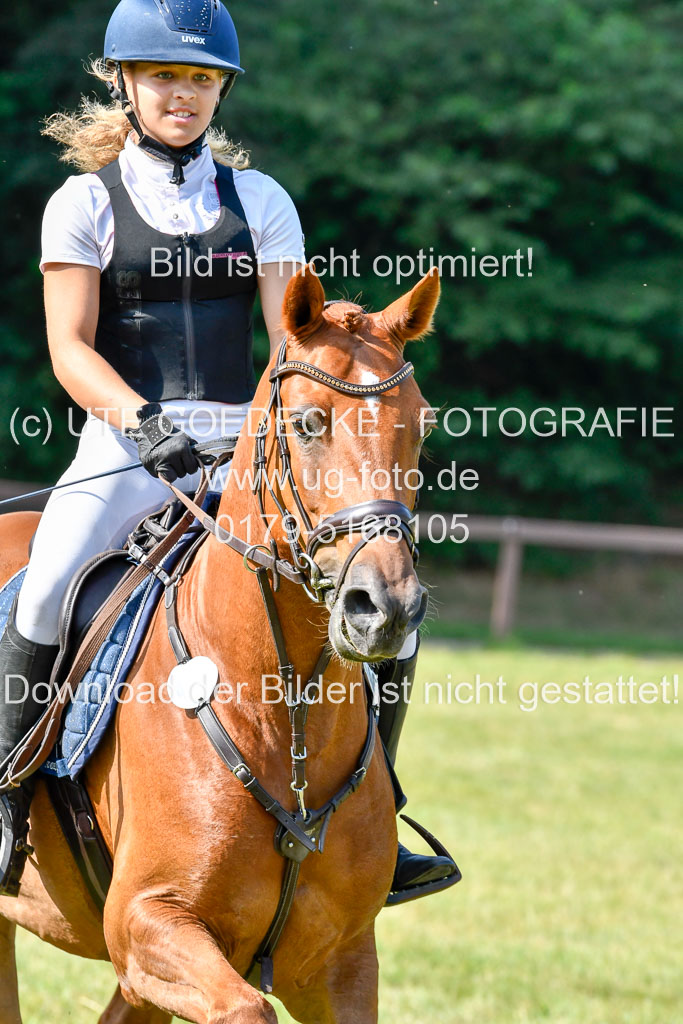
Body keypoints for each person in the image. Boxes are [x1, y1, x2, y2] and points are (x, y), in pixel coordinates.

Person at [0, 0, 456, 899]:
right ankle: (6, 801)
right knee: (46, 584)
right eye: (165, 77)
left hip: (249, 446)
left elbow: (292, 341)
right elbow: (69, 349)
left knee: (384, 600)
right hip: (125, 442)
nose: (184, 94)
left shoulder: (261, 201)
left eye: (201, 80)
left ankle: (379, 816)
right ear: (127, 85)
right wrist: (144, 426)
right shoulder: (82, 202)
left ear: (221, 93)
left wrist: (342, 356)